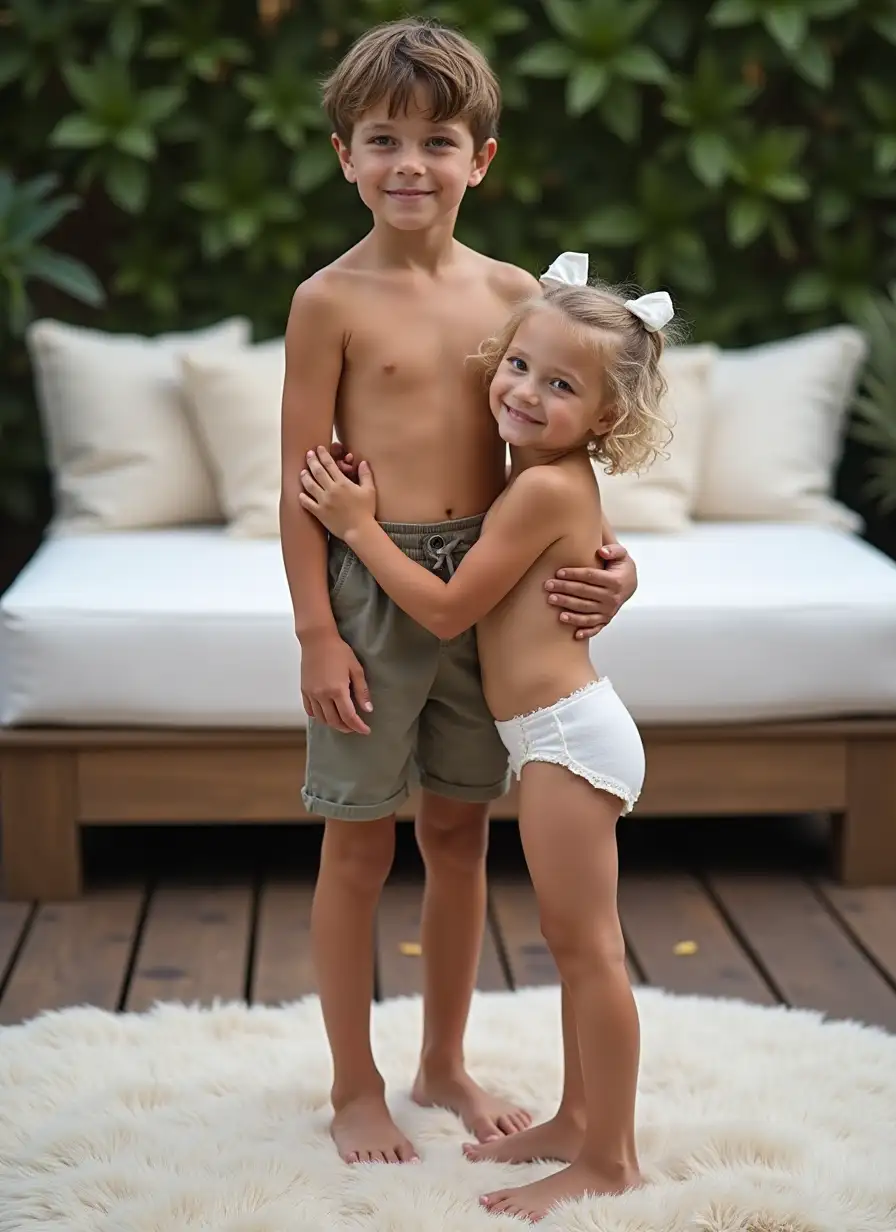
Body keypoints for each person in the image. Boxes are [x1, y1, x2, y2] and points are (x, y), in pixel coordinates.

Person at [278, 18, 640, 1167]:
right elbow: (299, 485)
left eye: (436, 140)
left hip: (493, 591)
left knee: (458, 831)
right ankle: (353, 1082)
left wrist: (615, 563)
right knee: (356, 844)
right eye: (381, 139)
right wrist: (316, 632)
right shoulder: (326, 301)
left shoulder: (514, 293)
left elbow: (554, 460)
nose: (408, 165)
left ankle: (443, 1057)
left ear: (479, 158)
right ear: (344, 153)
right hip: (375, 587)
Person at [298, 252, 675, 1220]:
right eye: (517, 368)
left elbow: (449, 605)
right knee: (572, 937)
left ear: (603, 418)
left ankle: (609, 1155)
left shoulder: (545, 482)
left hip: (563, 736)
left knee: (587, 948)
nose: (523, 390)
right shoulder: (541, 463)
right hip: (555, 730)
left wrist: (357, 521)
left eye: (558, 385)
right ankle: (577, 1117)